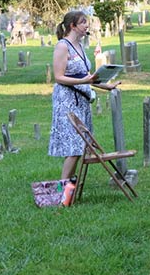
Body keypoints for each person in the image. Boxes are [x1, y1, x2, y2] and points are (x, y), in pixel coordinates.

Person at [49, 11, 120, 180]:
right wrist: (85, 81)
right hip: (66, 101)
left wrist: (106, 86)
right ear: (72, 26)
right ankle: (63, 188)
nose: (87, 26)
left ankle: (70, 187)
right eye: (83, 22)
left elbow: (86, 77)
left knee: (80, 145)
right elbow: (58, 77)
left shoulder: (80, 46)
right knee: (73, 146)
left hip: (81, 100)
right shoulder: (62, 46)